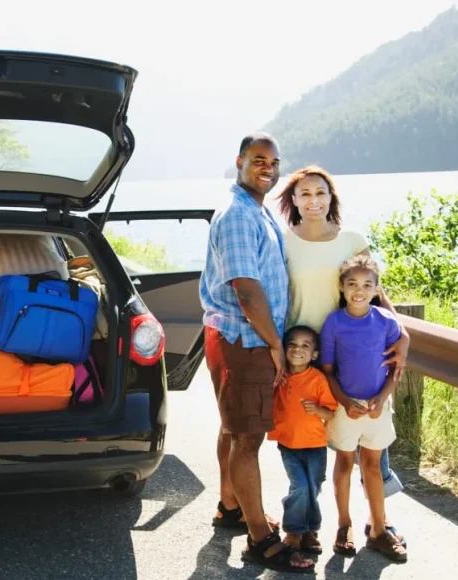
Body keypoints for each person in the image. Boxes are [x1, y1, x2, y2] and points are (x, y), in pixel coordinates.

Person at [275, 165, 410, 553]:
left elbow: (374, 291)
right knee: (314, 447)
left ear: (331, 197)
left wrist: (403, 332)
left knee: (372, 448)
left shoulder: (352, 239)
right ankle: (312, 524)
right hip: (306, 354)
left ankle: (378, 525)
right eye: (305, 194)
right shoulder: (283, 242)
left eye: (321, 192)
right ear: (293, 200)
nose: (314, 200)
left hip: (353, 353)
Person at [200, 131, 314, 573]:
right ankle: (261, 540)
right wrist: (274, 345)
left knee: (234, 427)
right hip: (244, 340)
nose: (267, 167)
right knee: (248, 439)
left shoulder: (254, 211)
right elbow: (246, 291)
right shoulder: (237, 216)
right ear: (240, 161)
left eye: (273, 161)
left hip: (238, 338)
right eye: (258, 160)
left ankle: (231, 506)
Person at [321, 255, 408, 563]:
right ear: (342, 288)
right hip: (347, 406)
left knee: (372, 465)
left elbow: (394, 370)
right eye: (352, 284)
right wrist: (344, 402)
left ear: (376, 290)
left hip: (377, 406)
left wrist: (382, 399)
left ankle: (379, 530)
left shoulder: (386, 322)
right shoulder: (334, 322)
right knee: (344, 464)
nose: (359, 291)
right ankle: (344, 525)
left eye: (367, 285)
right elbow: (328, 370)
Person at [266, 325, 338, 556]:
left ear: (315, 354)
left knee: (312, 488)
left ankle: (310, 531)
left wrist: (317, 409)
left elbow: (330, 412)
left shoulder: (317, 379)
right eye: (292, 344)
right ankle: (294, 532)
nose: (298, 350)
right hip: (288, 444)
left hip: (316, 445)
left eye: (305, 346)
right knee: (301, 487)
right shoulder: (279, 374)